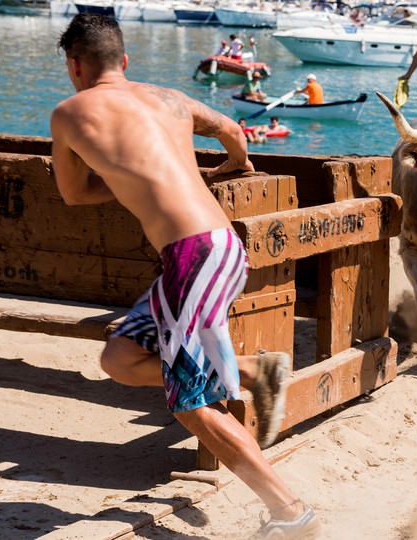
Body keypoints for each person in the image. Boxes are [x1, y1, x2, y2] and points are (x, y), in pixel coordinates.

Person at [50, 14, 320, 539]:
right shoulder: (170, 98)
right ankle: (254, 370)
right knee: (121, 359)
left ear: (74, 66)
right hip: (218, 249)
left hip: (191, 257)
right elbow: (232, 131)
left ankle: (291, 513)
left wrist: (124, 181)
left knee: (191, 403)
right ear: (124, 62)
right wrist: (226, 169)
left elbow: (74, 193)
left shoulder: (69, 113)